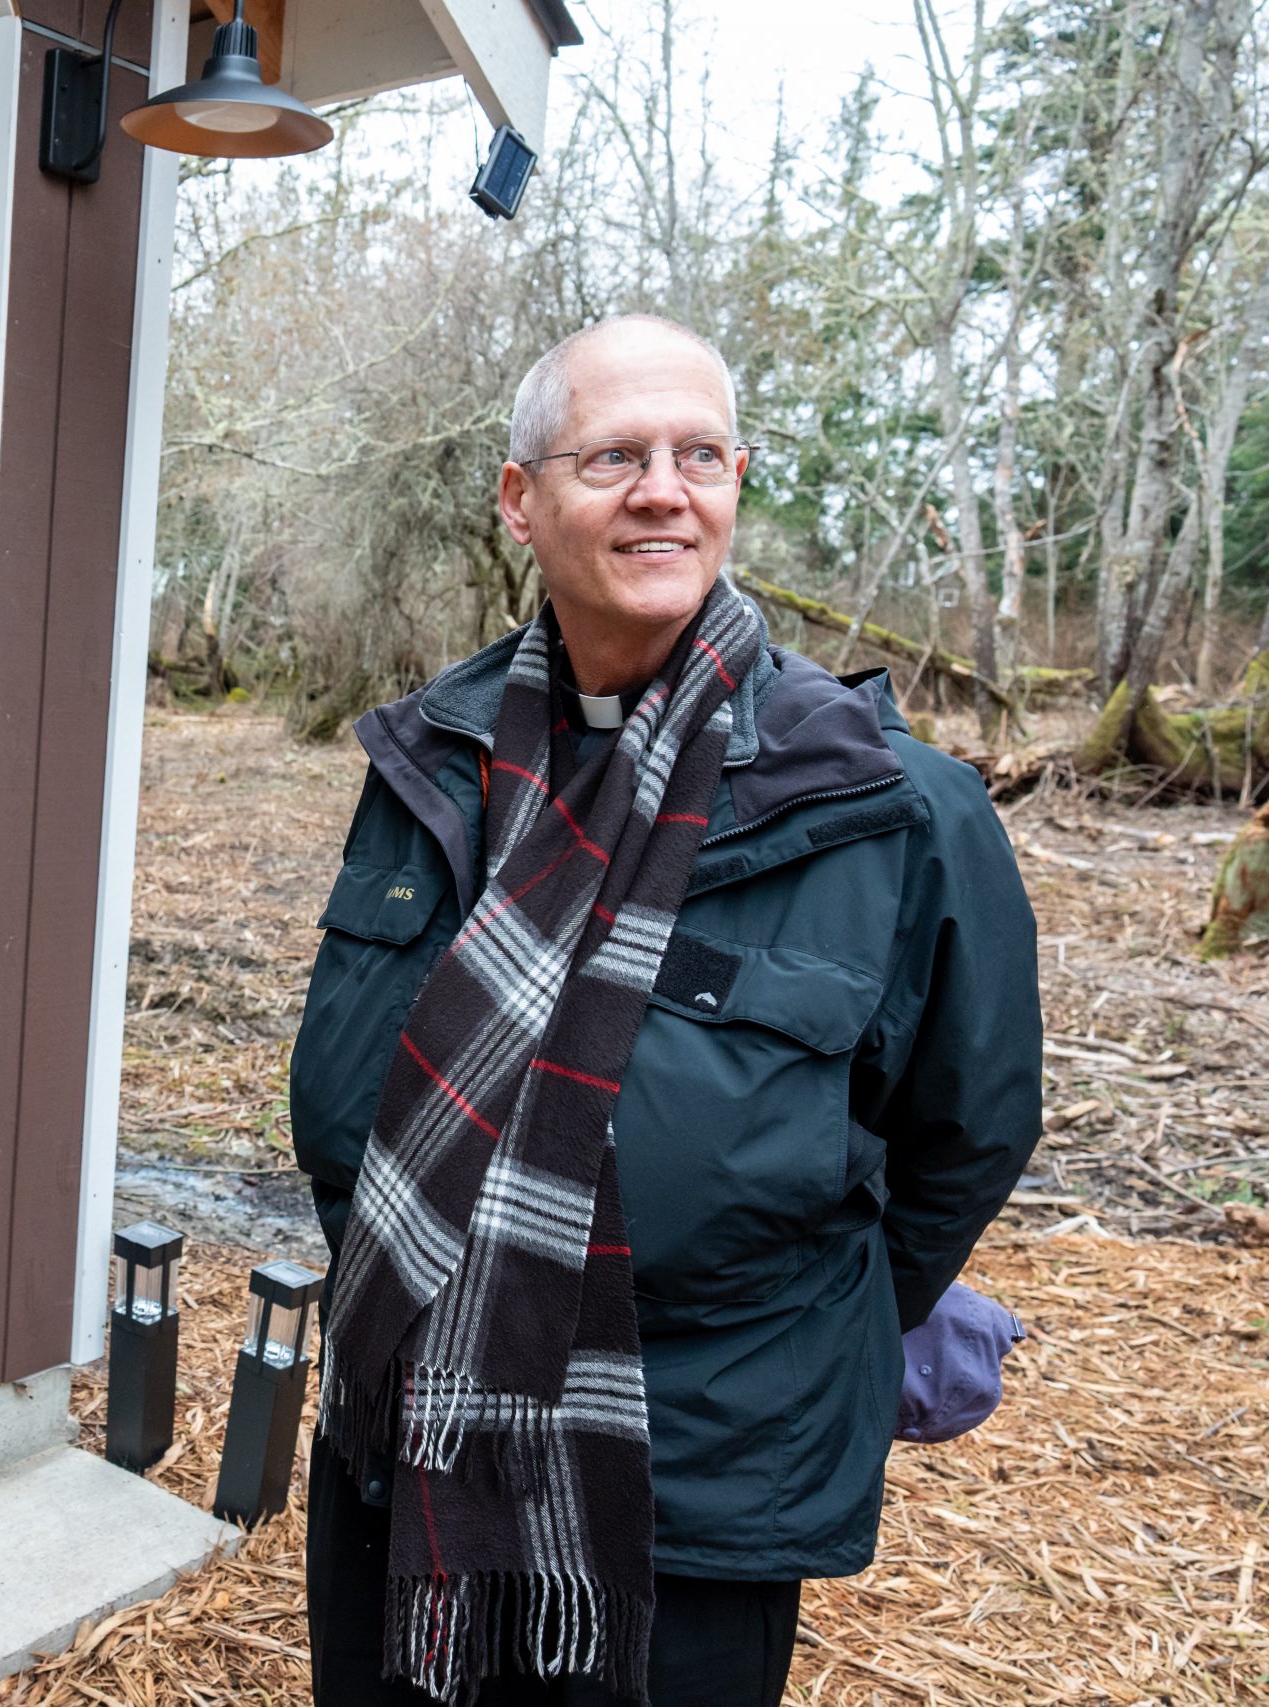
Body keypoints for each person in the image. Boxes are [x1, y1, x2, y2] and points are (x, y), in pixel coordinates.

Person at [287, 315, 1041, 1706]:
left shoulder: (890, 809)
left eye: (701, 455)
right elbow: (351, 1089)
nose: (663, 492)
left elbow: (968, 1133)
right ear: (520, 500)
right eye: (614, 456)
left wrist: (776, 1336)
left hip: (689, 1494)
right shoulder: (429, 765)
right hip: (404, 1452)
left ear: (736, 484)